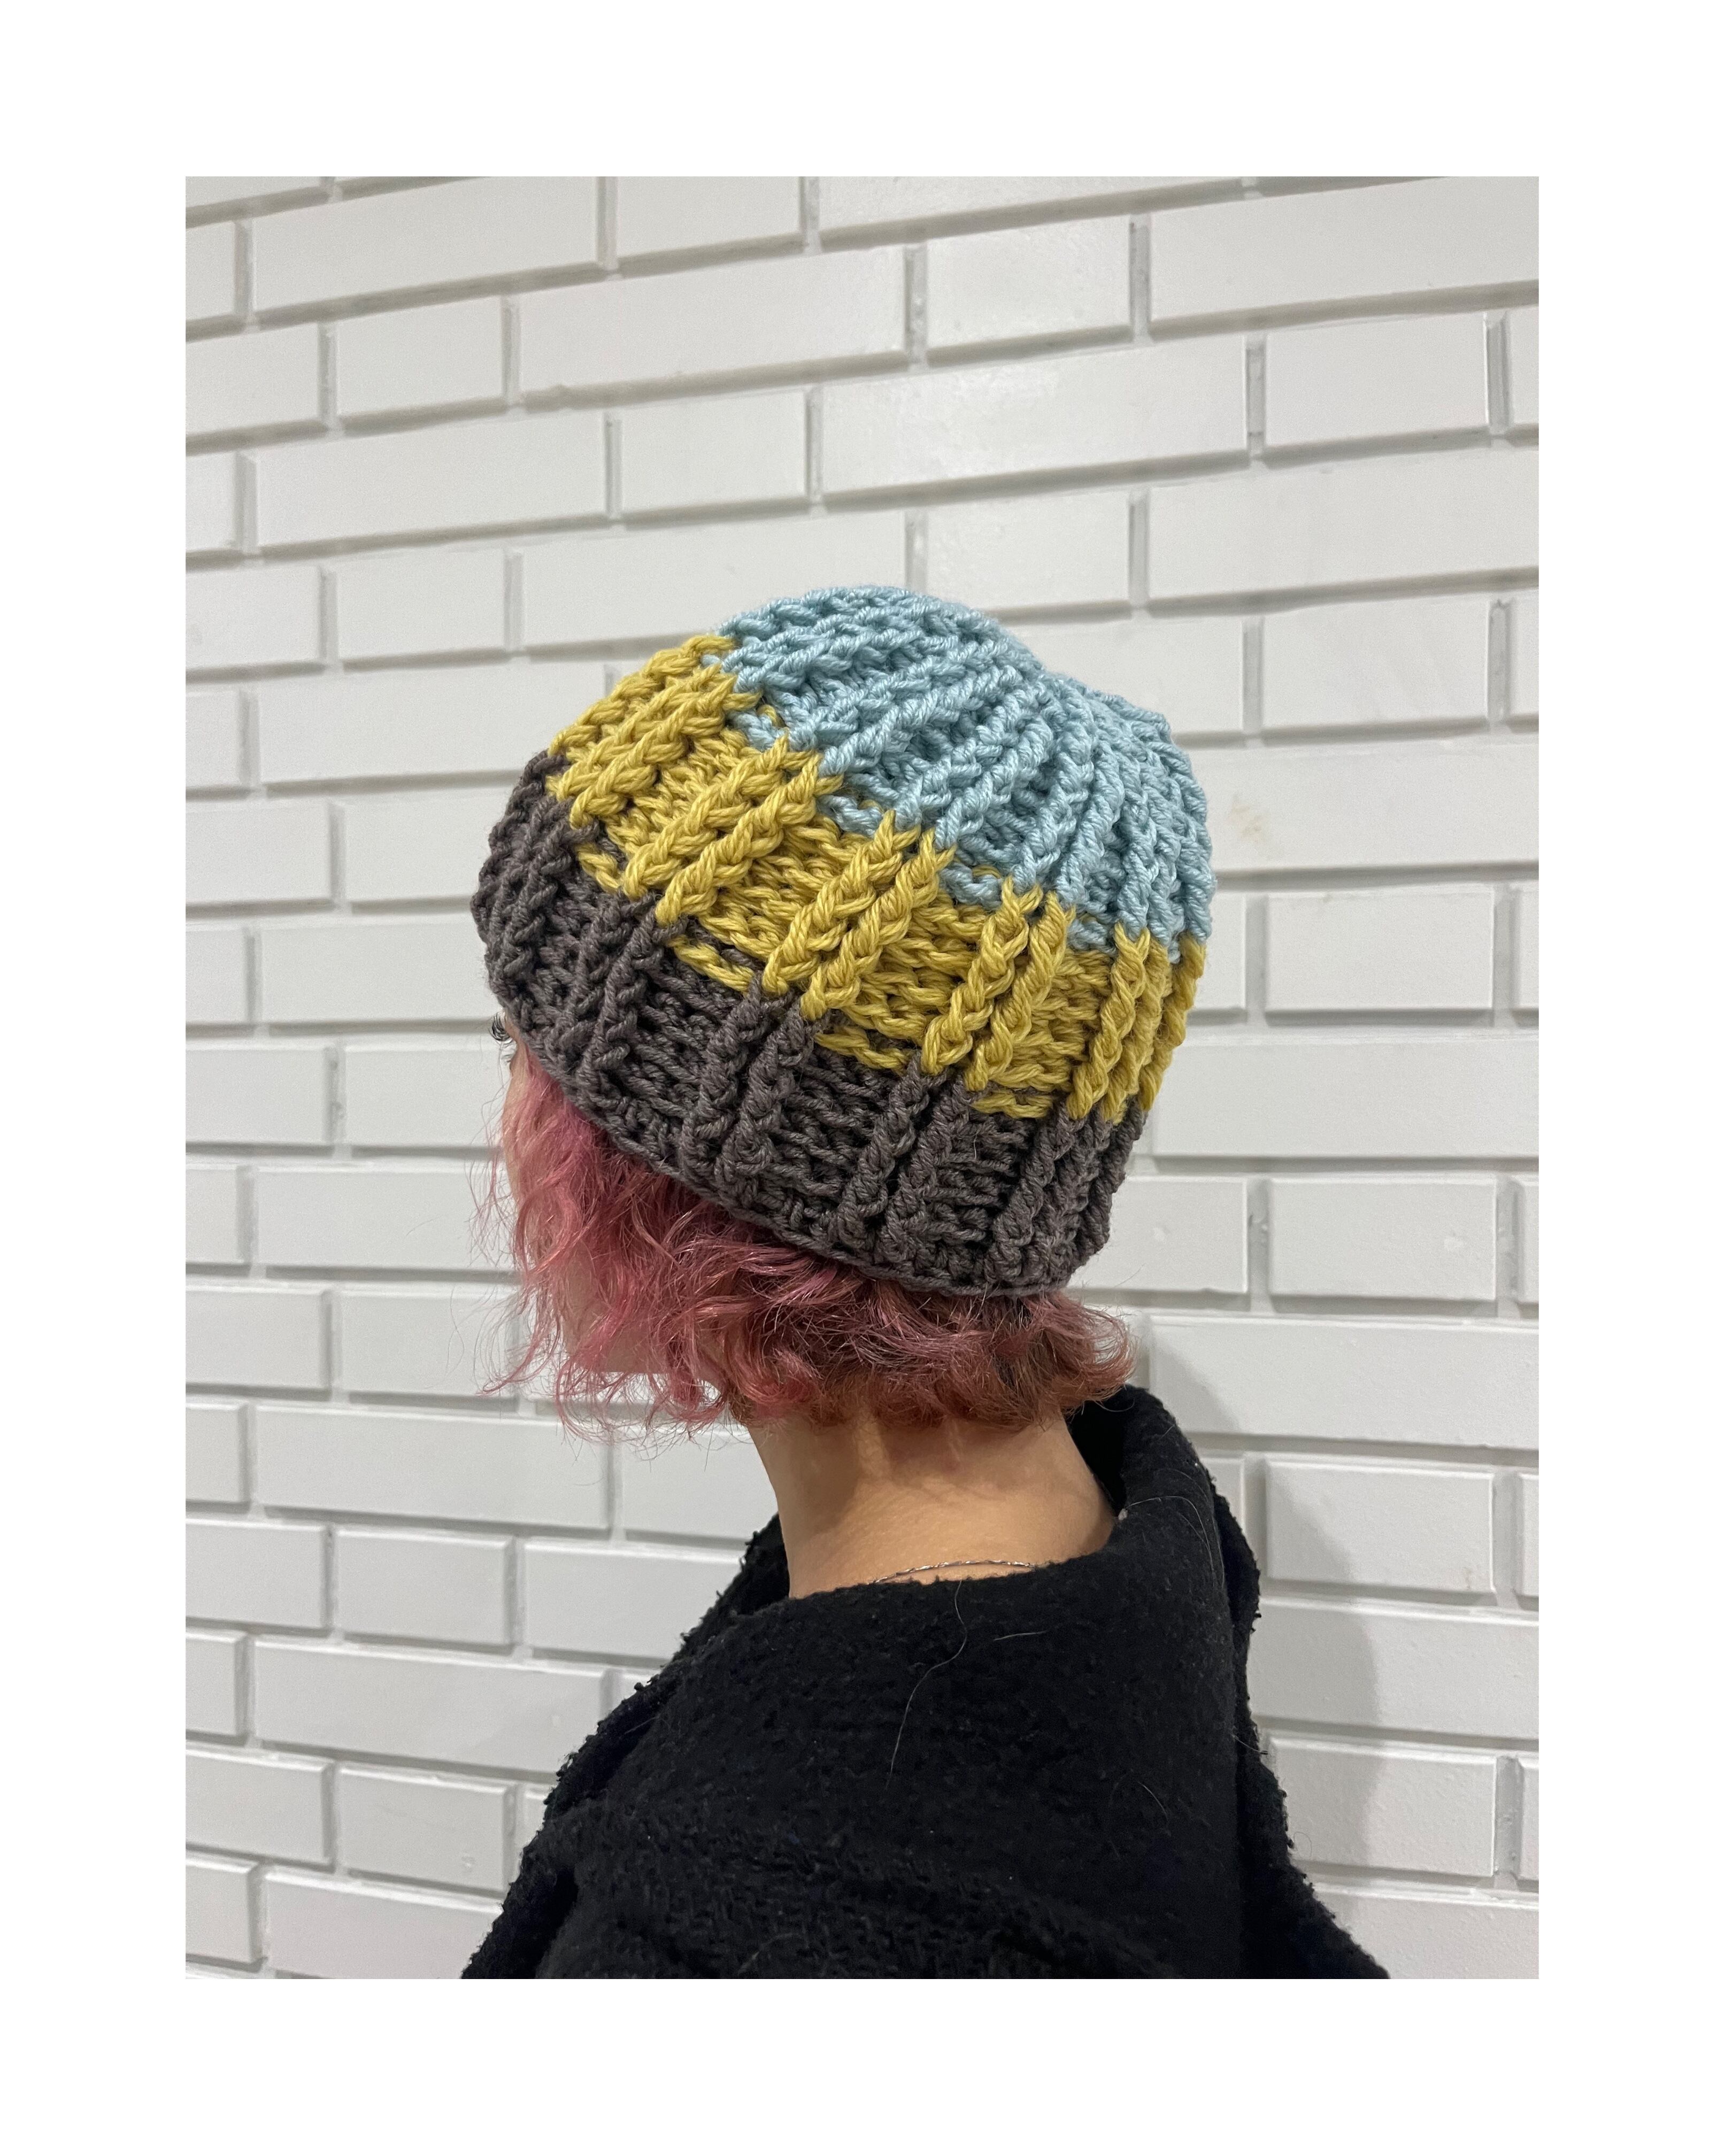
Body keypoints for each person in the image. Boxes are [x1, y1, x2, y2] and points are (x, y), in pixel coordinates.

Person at [463, 585, 1384, 1979]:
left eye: (521, 1044)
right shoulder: (1117, 1551)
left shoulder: (733, 1940)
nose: (508, 1109)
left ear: (681, 1157)